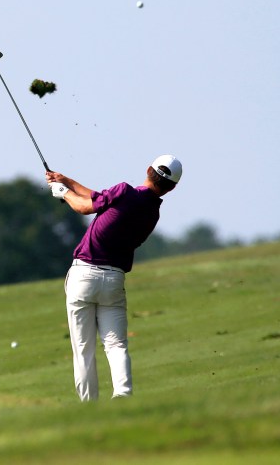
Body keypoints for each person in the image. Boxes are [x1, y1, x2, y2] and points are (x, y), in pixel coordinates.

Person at [46, 154, 183, 401]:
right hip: (113, 281)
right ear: (172, 188)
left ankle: (90, 406)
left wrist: (63, 192)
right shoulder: (152, 213)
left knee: (84, 350)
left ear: (148, 169)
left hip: (84, 275)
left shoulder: (123, 191)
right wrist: (66, 181)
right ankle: (123, 395)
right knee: (116, 344)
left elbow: (84, 207)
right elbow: (99, 198)